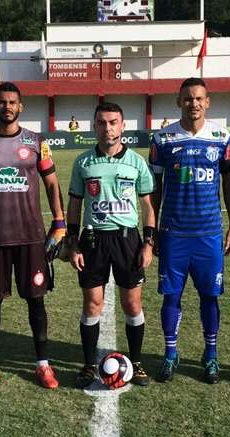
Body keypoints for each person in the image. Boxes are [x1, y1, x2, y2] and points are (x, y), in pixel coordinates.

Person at [0, 82, 65, 392]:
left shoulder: (37, 142)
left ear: (21, 107)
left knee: (36, 301)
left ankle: (43, 364)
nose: (7, 106)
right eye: (2, 102)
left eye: (12, 102)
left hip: (30, 237)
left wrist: (59, 222)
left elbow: (52, 183)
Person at [149, 77, 230, 384]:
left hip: (209, 234)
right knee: (171, 297)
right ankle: (170, 354)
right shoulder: (162, 139)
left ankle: (210, 355)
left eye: (199, 98)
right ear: (179, 102)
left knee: (210, 297)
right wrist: (152, 230)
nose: (193, 103)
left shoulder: (222, 137)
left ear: (207, 102)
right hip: (173, 233)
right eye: (188, 98)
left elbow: (229, 183)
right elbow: (154, 188)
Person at [66, 102, 155, 388]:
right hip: (93, 240)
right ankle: (89, 365)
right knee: (92, 304)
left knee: (132, 303)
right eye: (102, 122)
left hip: (127, 239)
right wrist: (72, 243)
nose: (108, 128)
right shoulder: (83, 163)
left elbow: (148, 206)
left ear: (123, 126)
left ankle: (136, 362)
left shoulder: (136, 162)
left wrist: (148, 243)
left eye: (113, 122)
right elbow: (74, 205)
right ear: (95, 126)